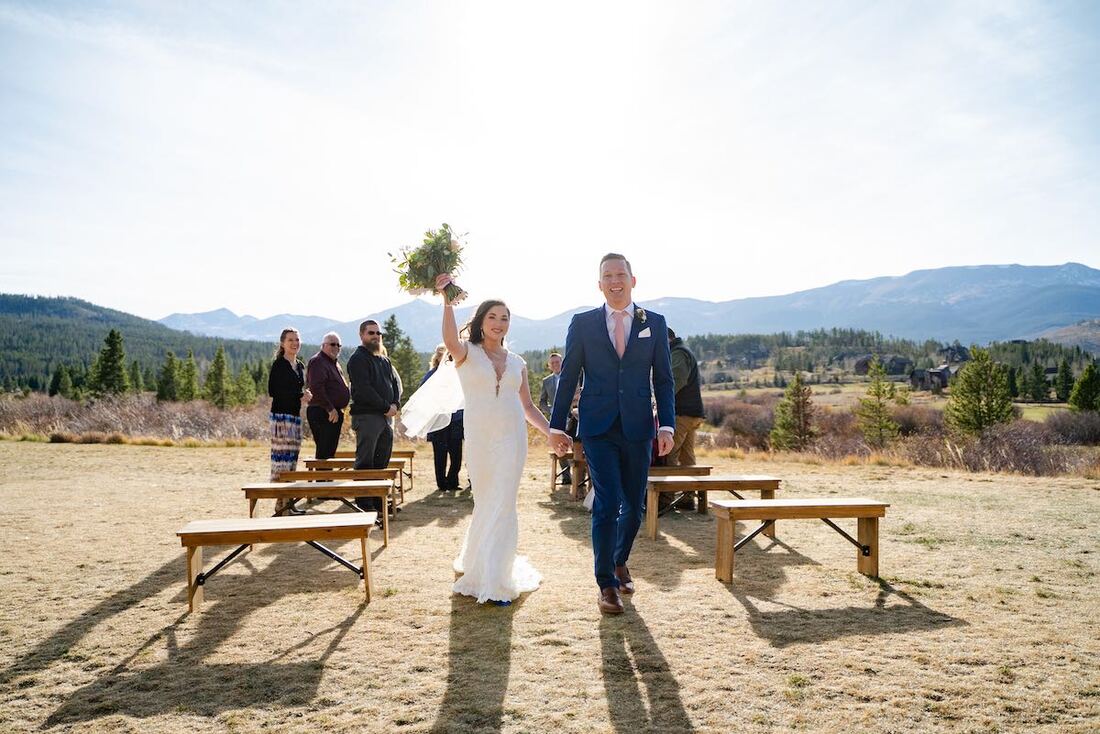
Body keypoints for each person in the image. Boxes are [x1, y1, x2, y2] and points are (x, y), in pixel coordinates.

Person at [548, 253, 675, 615]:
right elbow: (568, 376)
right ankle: (606, 584)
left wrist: (666, 424)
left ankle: (620, 561)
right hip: (597, 427)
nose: (615, 280)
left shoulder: (654, 322)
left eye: (621, 274)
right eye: (608, 276)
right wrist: (558, 428)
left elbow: (664, 380)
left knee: (634, 507)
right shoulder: (583, 323)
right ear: (599, 284)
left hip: (638, 427)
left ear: (633, 280)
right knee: (605, 503)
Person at [436, 272, 550, 605]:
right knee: (486, 500)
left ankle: (498, 578)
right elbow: (448, 336)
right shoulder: (465, 353)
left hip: (513, 439)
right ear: (481, 322)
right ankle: (476, 561)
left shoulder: (518, 362)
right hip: (480, 439)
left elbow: (527, 406)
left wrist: (553, 433)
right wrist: (446, 300)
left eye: (505, 318)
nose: (499, 323)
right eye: (493, 317)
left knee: (505, 503)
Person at [347, 319, 401, 516]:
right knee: (365, 462)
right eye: (371, 333)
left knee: (381, 461)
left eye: (378, 333)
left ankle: (379, 502)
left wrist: (395, 404)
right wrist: (385, 406)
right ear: (362, 335)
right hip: (367, 417)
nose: (376, 336)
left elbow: (394, 384)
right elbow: (363, 390)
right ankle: (364, 503)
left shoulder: (383, 359)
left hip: (385, 418)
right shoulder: (358, 359)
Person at [267, 327, 312, 514]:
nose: (295, 343)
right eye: (291, 340)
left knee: (292, 461)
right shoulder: (279, 365)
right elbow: (274, 392)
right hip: (281, 419)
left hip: (294, 418)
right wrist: (299, 396)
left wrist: (306, 395)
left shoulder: (300, 366)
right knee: (281, 462)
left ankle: (288, 502)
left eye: (297, 340)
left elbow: (298, 391)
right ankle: (280, 503)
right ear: (282, 343)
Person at [663, 326, 706, 510]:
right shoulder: (682, 351)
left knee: (669, 454)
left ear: (667, 339)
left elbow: (675, 381)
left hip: (682, 413)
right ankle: (688, 497)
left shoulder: (678, 354)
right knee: (687, 457)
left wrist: (660, 400)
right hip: (692, 412)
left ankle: (666, 499)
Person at [421, 345, 464, 491]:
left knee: (456, 455)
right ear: (438, 358)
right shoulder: (431, 375)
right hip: (438, 421)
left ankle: (453, 481)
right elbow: (423, 396)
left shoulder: (458, 374)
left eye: (450, 356)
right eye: (444, 355)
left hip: (456, 420)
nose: (448, 358)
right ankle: (441, 483)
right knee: (440, 455)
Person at [306, 331, 350, 461]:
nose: (336, 347)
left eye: (338, 345)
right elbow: (316, 387)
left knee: (329, 453)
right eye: (332, 344)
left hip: (332, 413)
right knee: (324, 454)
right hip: (323, 412)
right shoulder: (318, 361)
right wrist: (330, 408)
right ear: (323, 345)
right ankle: (322, 480)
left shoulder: (334, 363)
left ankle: (326, 479)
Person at [538, 352, 572, 486]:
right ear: (549, 366)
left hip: (574, 416)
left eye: (557, 362)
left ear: (562, 362)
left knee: (577, 446)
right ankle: (566, 475)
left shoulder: (571, 376)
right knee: (560, 445)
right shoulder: (546, 381)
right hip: (557, 420)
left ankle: (581, 477)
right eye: (552, 363)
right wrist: (550, 410)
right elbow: (542, 402)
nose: (555, 365)